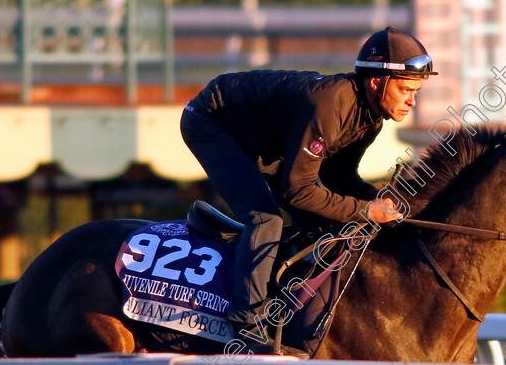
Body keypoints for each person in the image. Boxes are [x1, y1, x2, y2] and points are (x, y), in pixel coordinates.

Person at [180, 27, 437, 354]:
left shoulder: (371, 119)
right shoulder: (331, 104)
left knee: (324, 219)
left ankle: (287, 304)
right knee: (266, 218)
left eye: (416, 91)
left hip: (264, 139)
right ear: (377, 82)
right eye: (405, 90)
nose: (412, 101)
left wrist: (380, 200)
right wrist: (366, 210)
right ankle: (247, 324)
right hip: (211, 121)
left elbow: (337, 176)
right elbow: (296, 192)